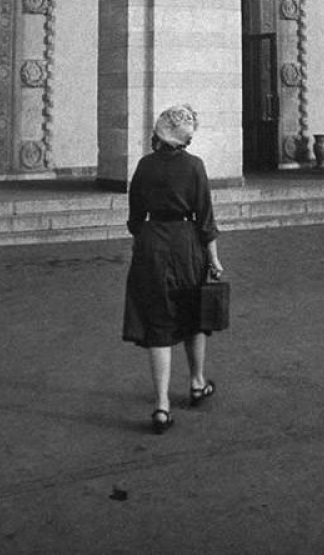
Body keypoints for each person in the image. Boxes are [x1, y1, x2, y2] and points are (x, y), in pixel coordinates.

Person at [122, 103, 224, 434]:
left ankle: (162, 405)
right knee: (195, 314)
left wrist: (148, 236)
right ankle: (196, 383)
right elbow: (205, 217)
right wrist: (214, 257)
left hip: (152, 245)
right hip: (187, 244)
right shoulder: (195, 166)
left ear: (159, 134)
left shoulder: (144, 166)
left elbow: (135, 217)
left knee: (158, 323)